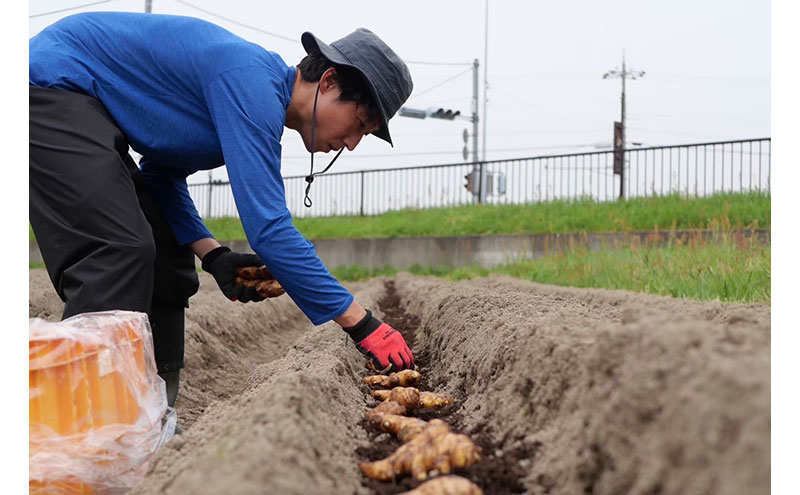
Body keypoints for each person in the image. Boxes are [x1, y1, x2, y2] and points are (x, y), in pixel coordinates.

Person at [29, 12, 416, 415]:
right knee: (117, 250)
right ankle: (84, 421)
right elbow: (270, 230)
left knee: (168, 256)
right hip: (48, 86)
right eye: (360, 124)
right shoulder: (252, 83)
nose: (352, 144)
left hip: (86, 108)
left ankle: (151, 415)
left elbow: (162, 176)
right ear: (329, 82)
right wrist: (362, 323)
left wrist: (214, 256)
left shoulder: (249, 93)